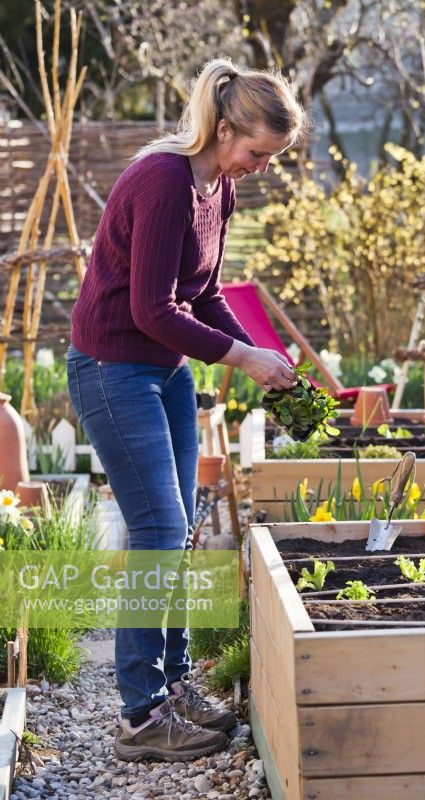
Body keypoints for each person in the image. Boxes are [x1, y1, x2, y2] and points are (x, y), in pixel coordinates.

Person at [67, 57, 307, 762]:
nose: (261, 166)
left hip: (163, 370)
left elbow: (201, 296)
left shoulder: (216, 187)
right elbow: (150, 308)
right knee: (159, 531)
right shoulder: (164, 180)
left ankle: (170, 688)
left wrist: (263, 356)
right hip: (114, 369)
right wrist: (240, 359)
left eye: (271, 158)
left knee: (179, 534)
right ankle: (142, 717)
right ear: (225, 127)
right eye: (257, 152)